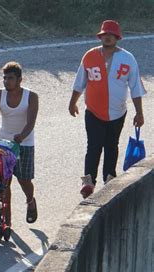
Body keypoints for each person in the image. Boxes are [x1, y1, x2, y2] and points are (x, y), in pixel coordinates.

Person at [68, 20, 146, 198]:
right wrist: (72, 102)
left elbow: (135, 87)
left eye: (112, 34)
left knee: (111, 146)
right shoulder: (90, 56)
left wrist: (139, 112)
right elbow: (80, 82)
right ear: (101, 36)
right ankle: (88, 180)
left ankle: (109, 178)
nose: (108, 37)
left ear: (117, 38)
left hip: (118, 112)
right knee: (93, 146)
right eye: (105, 34)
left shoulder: (128, 59)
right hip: (93, 111)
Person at [0, 61, 39, 225]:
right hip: (3, 144)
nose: (7, 81)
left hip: (24, 144)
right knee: (3, 183)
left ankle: (30, 201)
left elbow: (31, 123)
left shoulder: (31, 96)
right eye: (4, 78)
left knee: (24, 180)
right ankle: (7, 220)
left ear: (20, 79)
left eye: (11, 78)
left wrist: (21, 136)